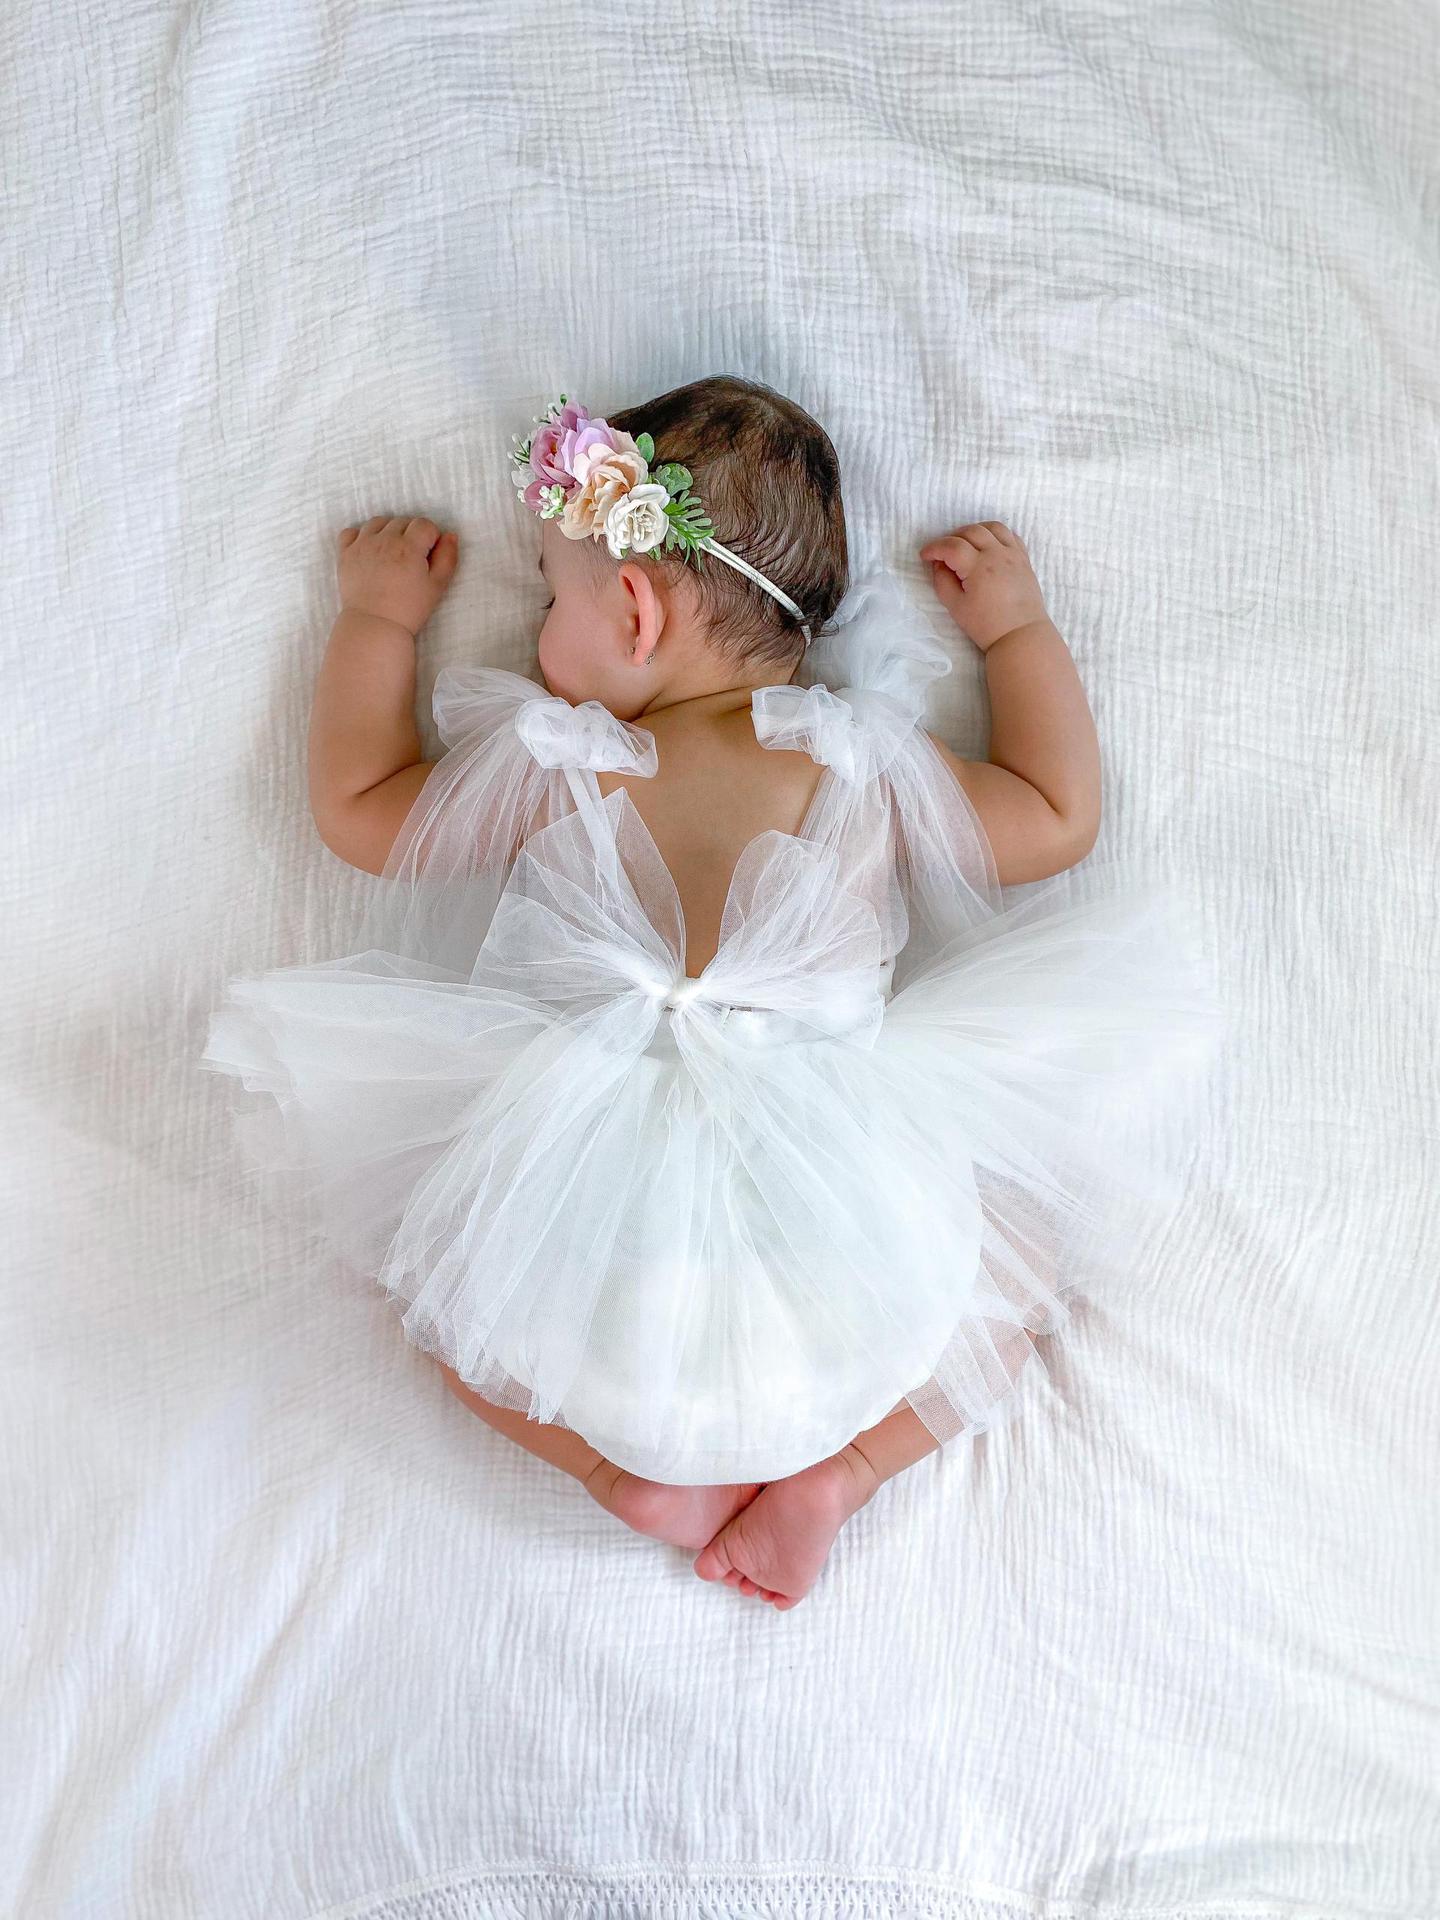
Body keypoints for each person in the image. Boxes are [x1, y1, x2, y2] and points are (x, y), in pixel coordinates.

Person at [201, 375, 1221, 1610]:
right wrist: (1017, 635)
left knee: (430, 1281)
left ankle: (618, 1476)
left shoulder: (563, 762)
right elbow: (1057, 816)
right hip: (847, 1254)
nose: (541, 628)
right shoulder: (858, 762)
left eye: (550, 595)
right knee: (1021, 1279)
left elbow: (360, 811)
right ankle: (841, 1474)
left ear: (633, 611)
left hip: (593, 1247)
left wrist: (376, 620)